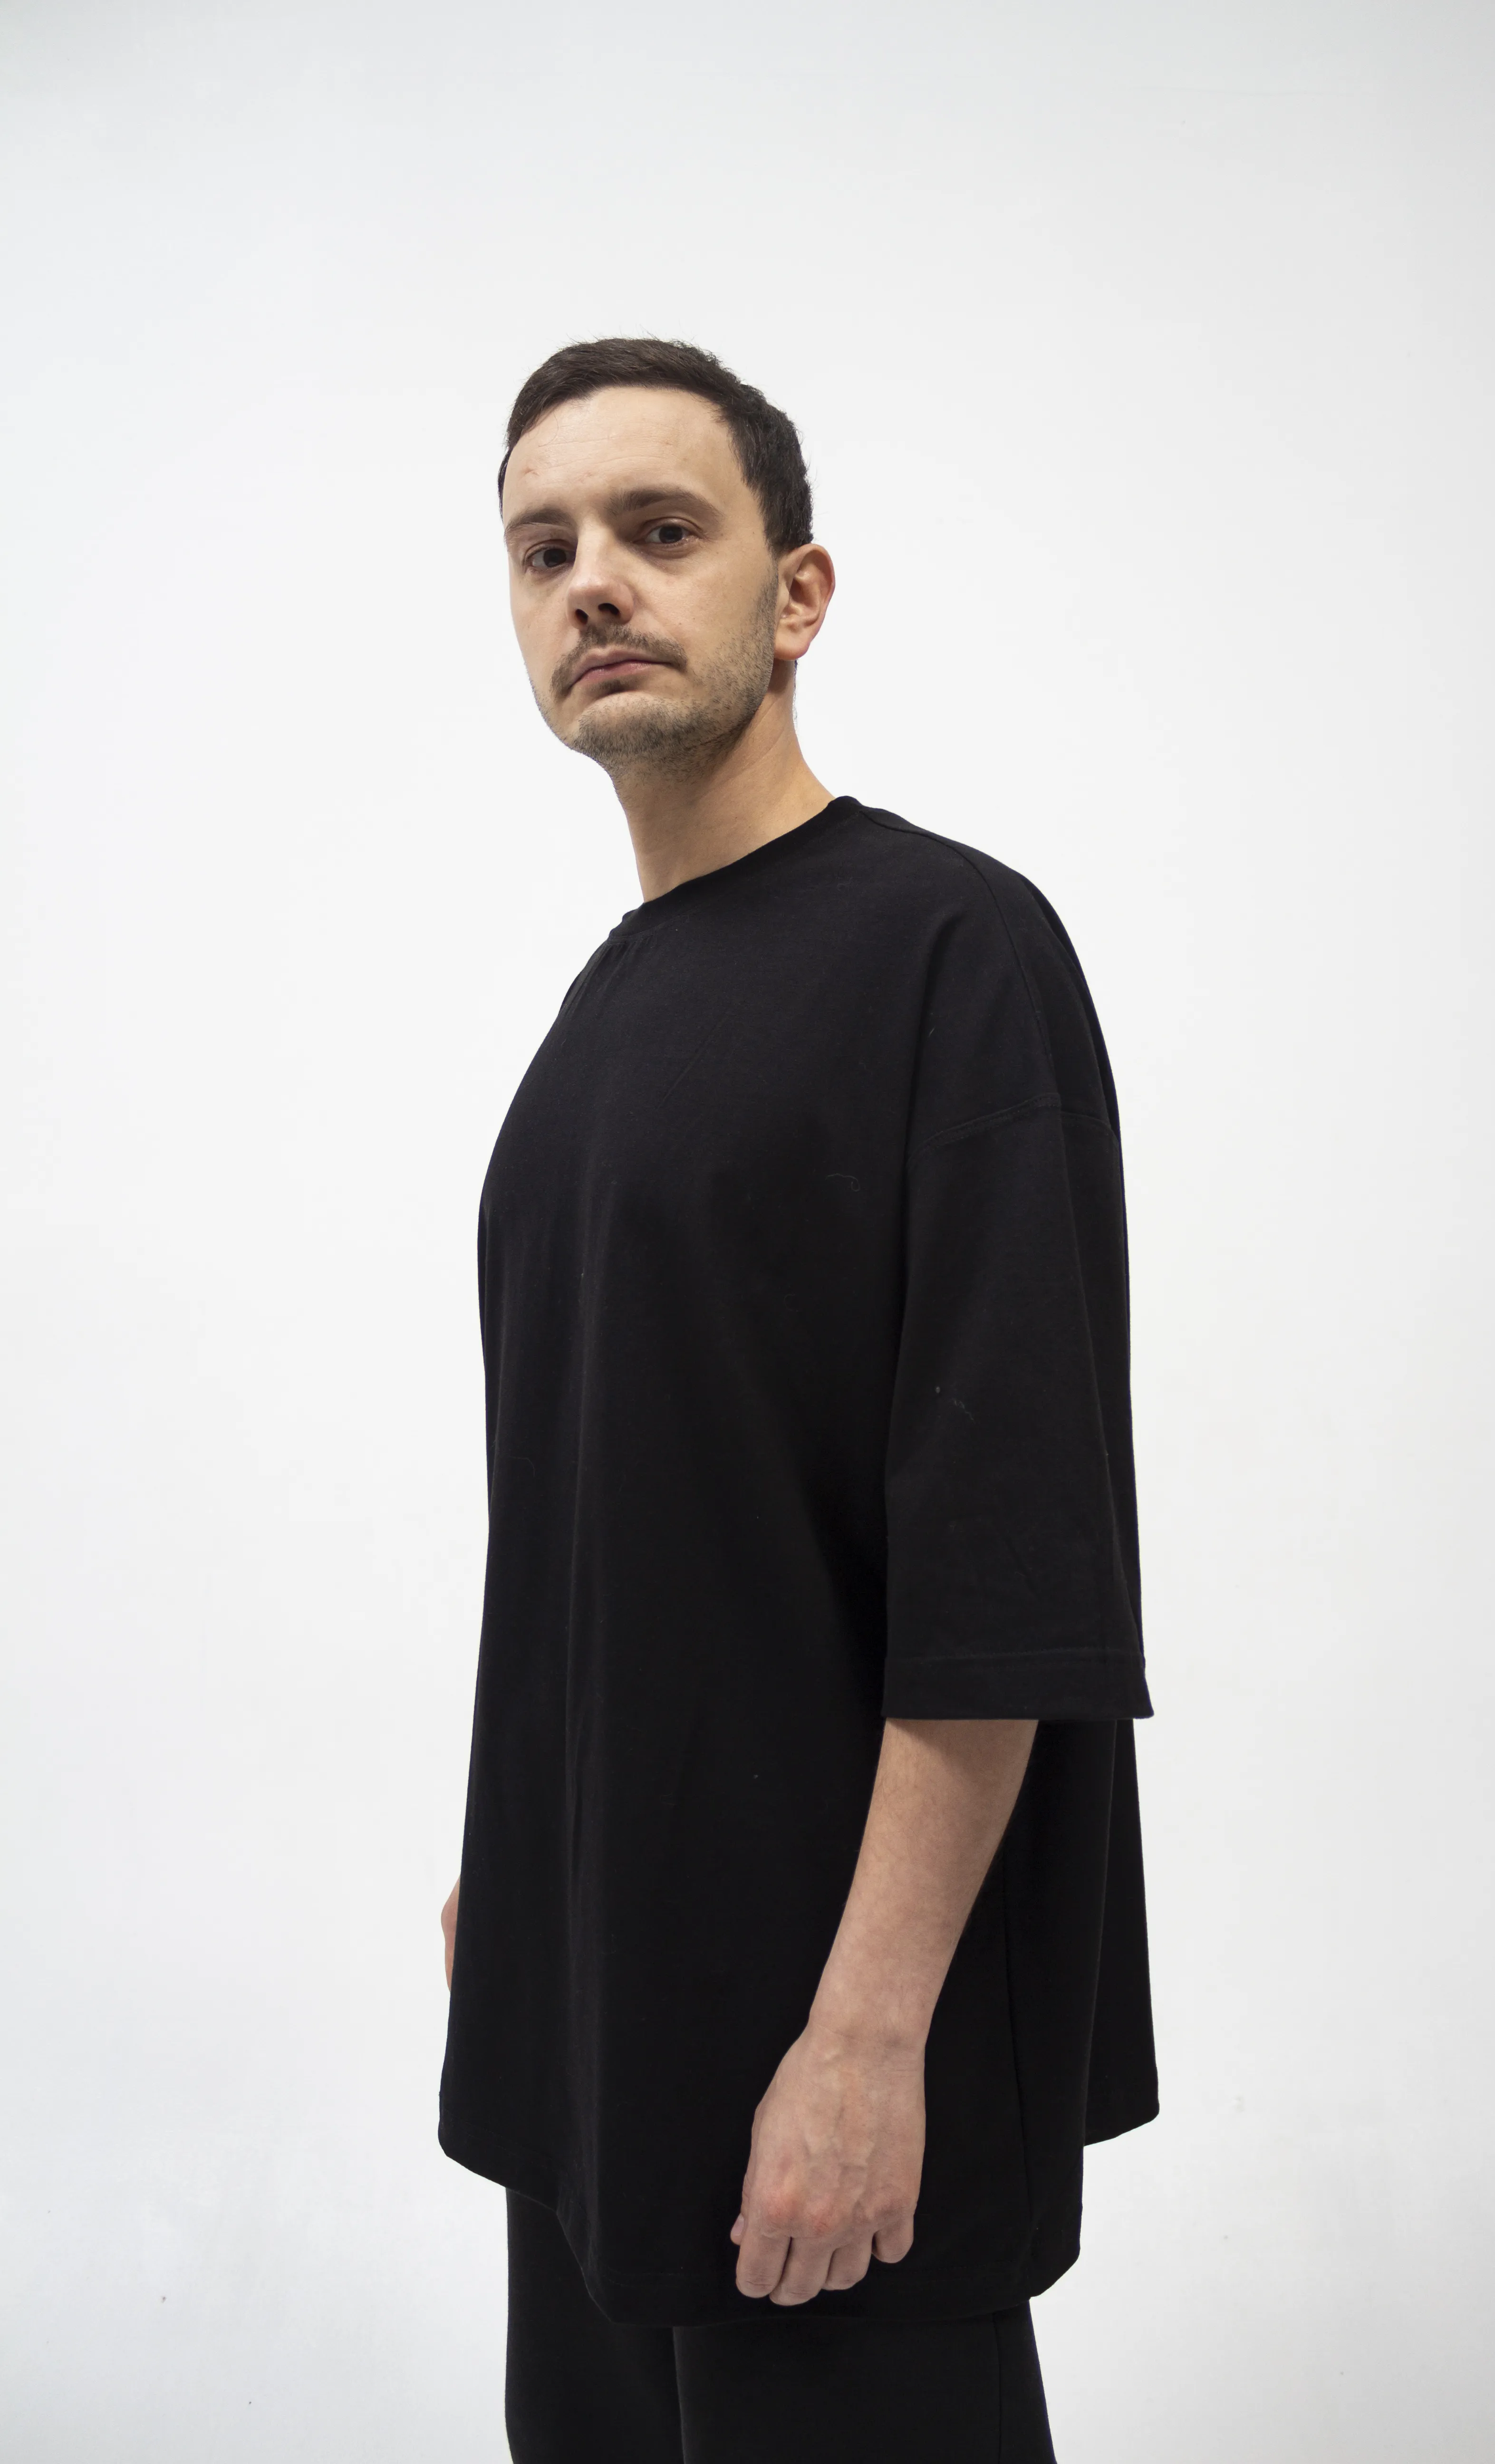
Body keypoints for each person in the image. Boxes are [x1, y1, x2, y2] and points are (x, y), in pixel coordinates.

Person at [438, 338, 1157, 2464]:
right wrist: (524, 1852)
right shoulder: (598, 1019)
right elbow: (616, 1500)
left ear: (798, 592)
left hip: (827, 2060)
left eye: (661, 530)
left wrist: (867, 2038)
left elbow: (1013, 1568)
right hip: (597, 2017)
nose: (593, 581)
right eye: (543, 549)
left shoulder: (951, 953)